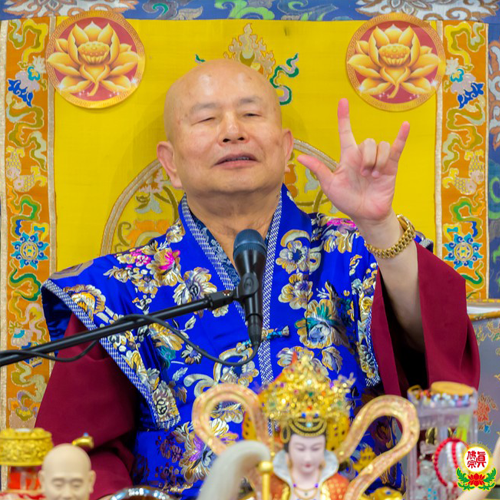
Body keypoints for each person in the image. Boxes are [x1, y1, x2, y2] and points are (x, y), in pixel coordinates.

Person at [36, 59, 480, 499]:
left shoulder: (352, 249)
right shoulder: (117, 289)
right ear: (169, 163)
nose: (233, 131)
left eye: (250, 114)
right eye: (207, 119)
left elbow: (434, 345)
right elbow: (77, 452)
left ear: (286, 148)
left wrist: (379, 226)